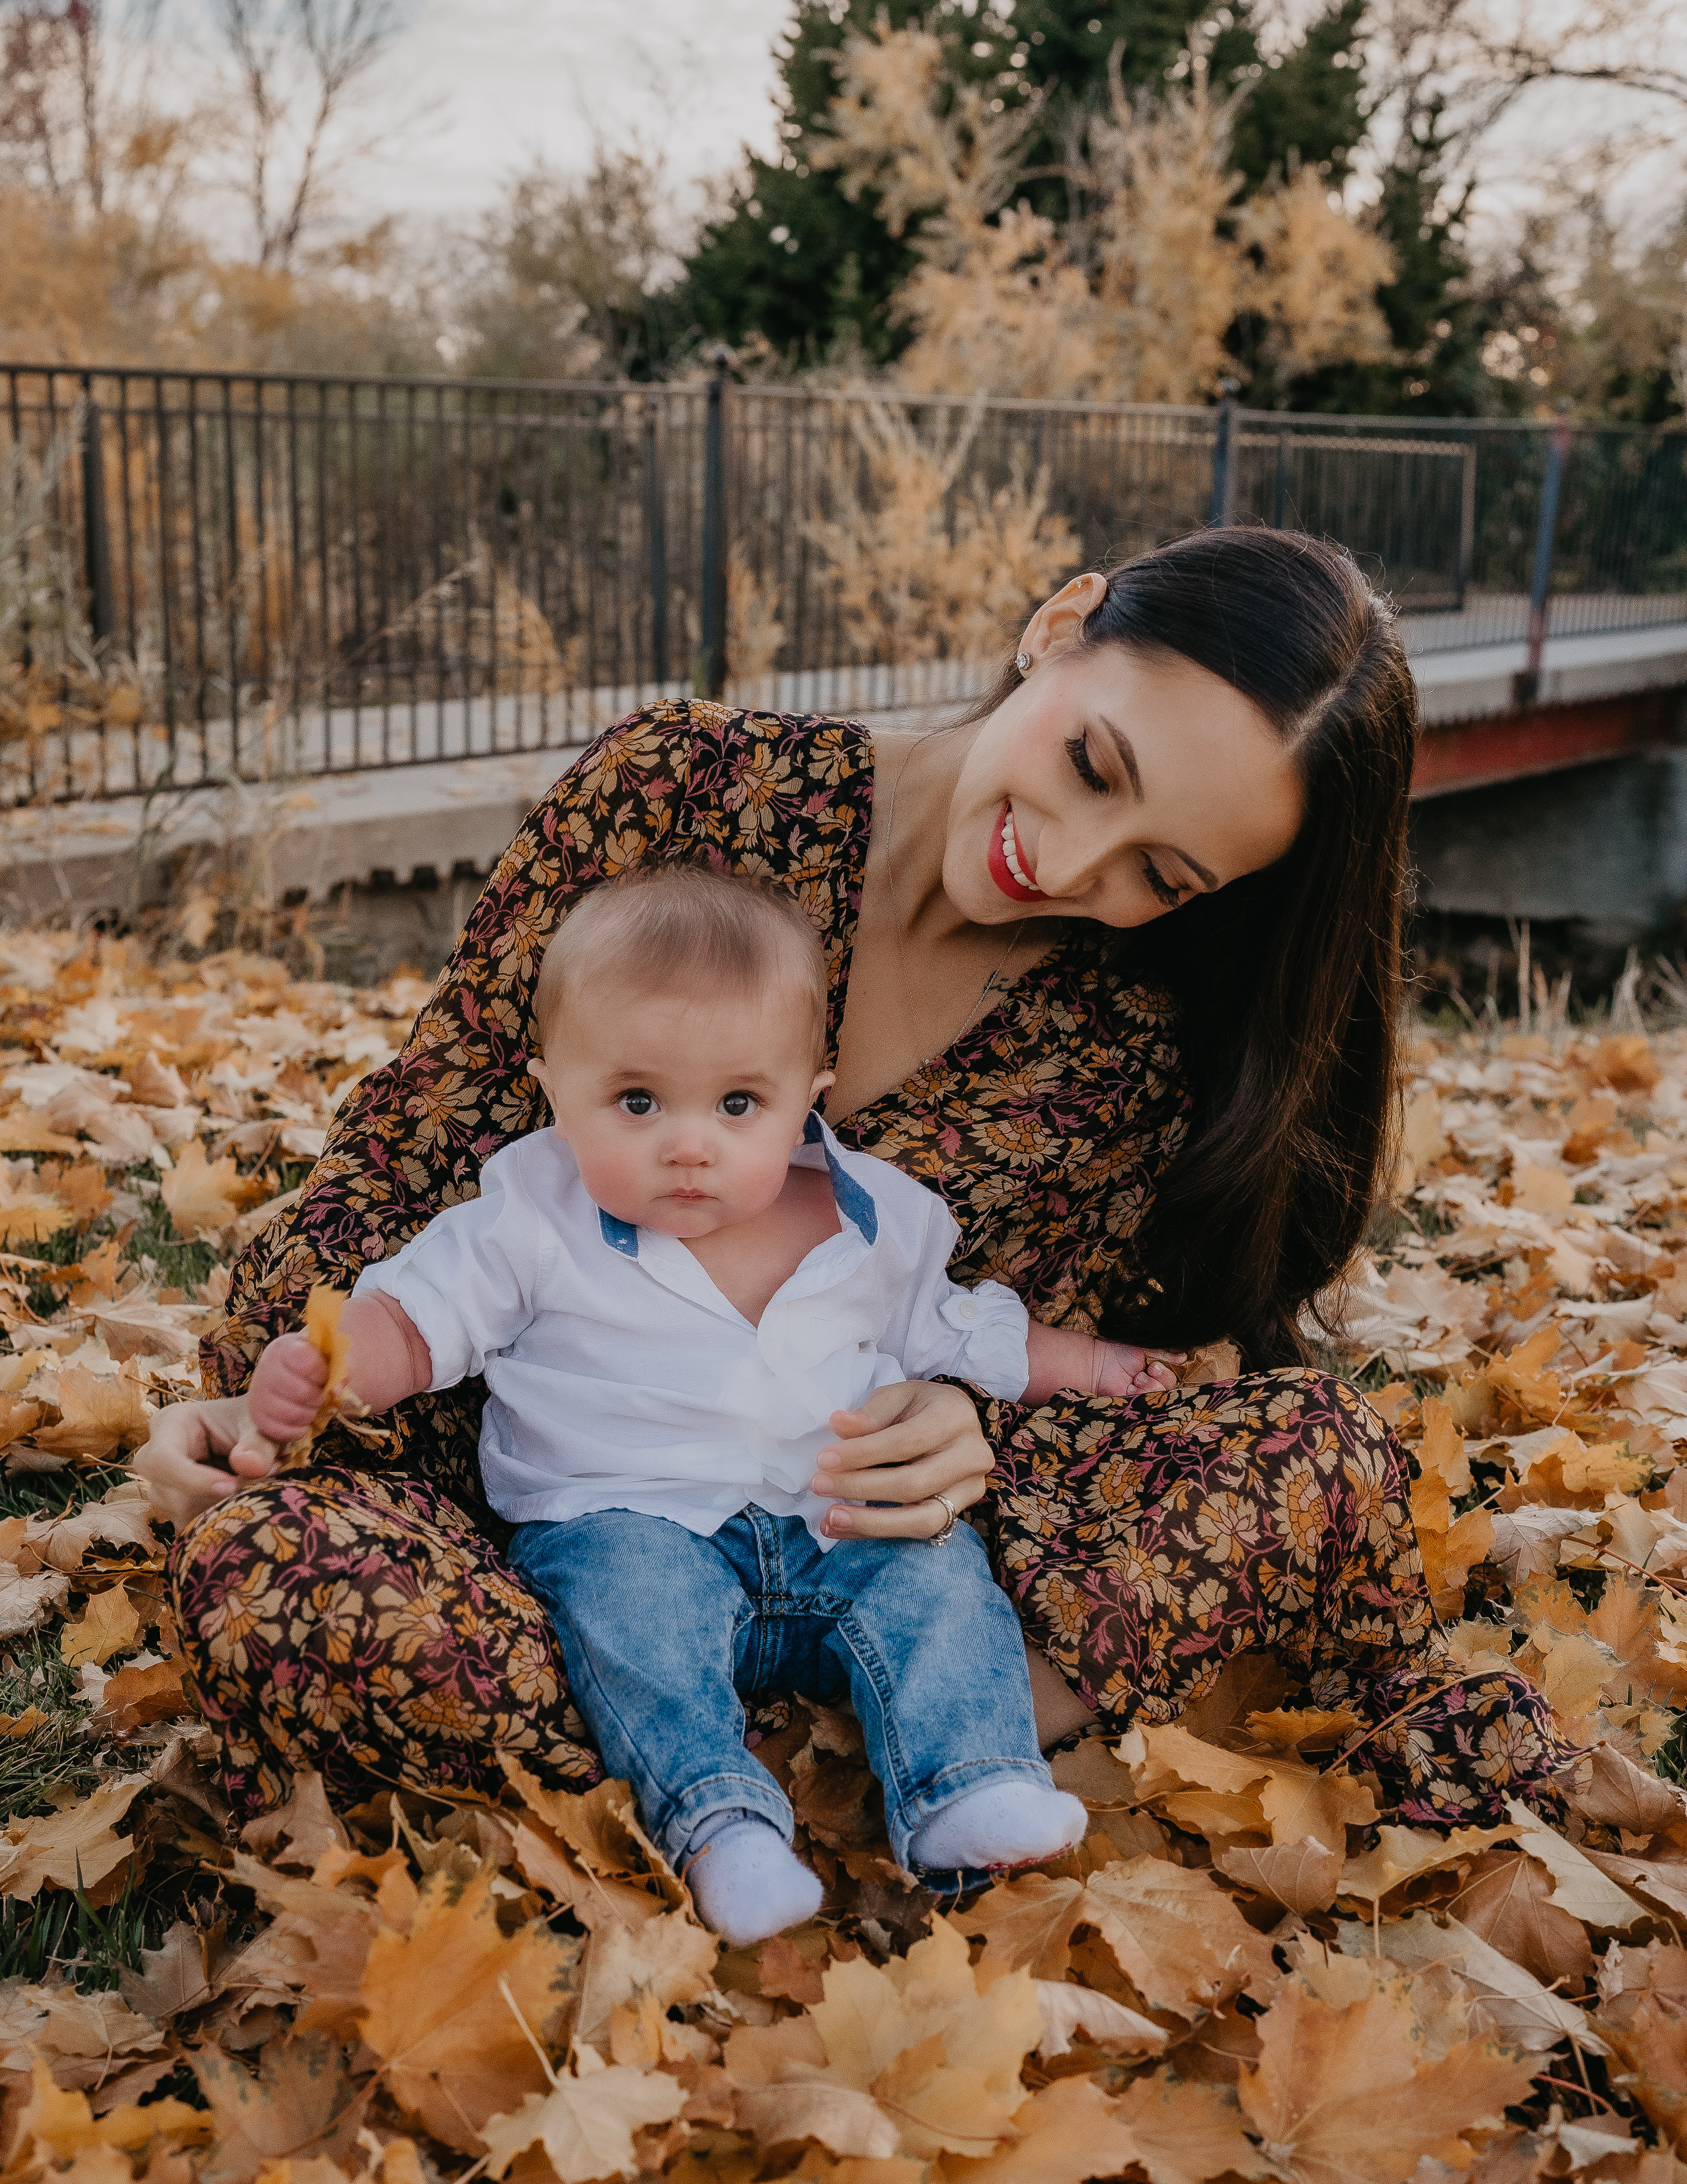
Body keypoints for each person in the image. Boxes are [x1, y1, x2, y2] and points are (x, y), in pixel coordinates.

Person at [140, 526, 1575, 1831]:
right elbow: (412, 1137)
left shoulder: (1120, 1050)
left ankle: (780, 1758)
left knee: (1315, 1450)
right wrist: (258, 1397)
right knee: (273, 1575)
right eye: (1091, 766)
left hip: (861, 1547)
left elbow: (1032, 1357)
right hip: (539, 1509)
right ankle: (818, 1765)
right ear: (1060, 625)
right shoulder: (684, 790)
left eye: (1162, 873)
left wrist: (968, 1428)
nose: (1071, 862)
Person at [239, 865, 1176, 1938]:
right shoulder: (534, 1210)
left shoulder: (876, 1217)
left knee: (942, 1581)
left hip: (836, 1516)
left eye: (739, 1104)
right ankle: (721, 1824)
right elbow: (424, 1316)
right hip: (623, 1519)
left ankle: (968, 1785)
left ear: (809, 1091)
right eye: (637, 1102)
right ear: (556, 1086)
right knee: (633, 1629)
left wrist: (1097, 1366)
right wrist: (334, 1364)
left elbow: (960, 1330)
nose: (690, 1143)